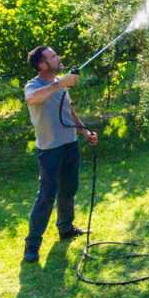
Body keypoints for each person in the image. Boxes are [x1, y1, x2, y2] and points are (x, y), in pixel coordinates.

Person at [22, 45, 98, 263]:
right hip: (49, 150)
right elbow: (32, 100)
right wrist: (60, 83)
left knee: (68, 190)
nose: (58, 58)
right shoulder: (34, 85)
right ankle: (32, 245)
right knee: (46, 196)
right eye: (53, 56)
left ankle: (65, 228)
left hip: (70, 145)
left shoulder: (61, 86)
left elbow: (69, 111)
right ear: (42, 65)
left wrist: (85, 132)